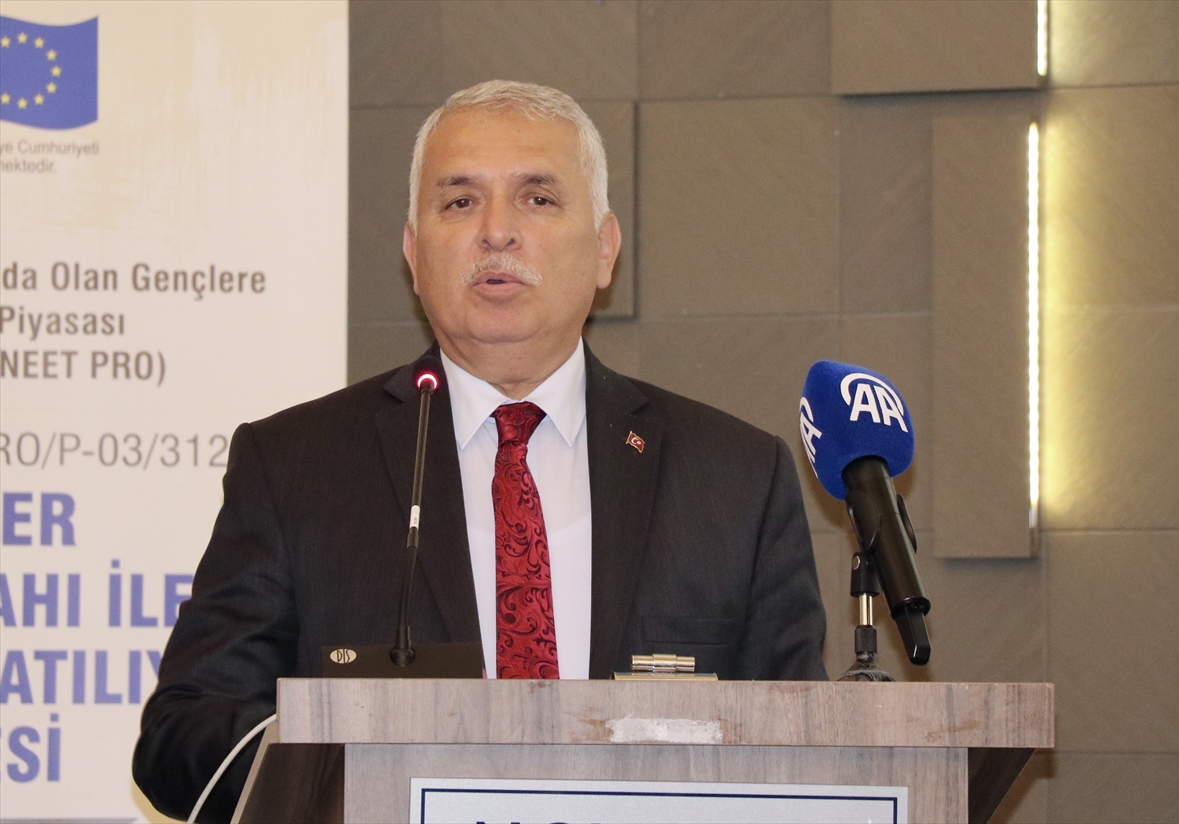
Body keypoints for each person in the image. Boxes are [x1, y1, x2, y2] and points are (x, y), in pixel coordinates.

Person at [132, 80, 826, 822]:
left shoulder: (734, 479)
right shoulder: (296, 466)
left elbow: (811, 758)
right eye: (460, 202)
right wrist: (353, 767)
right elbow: (181, 738)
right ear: (413, 252)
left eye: (538, 198)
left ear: (604, 249)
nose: (497, 231)